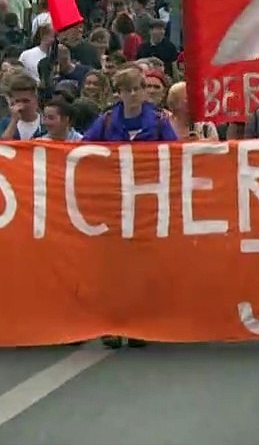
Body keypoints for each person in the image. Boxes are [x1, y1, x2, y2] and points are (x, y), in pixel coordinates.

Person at [83, 66, 177, 350]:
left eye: (138, 88)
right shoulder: (107, 120)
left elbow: (176, 156)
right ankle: (112, 323)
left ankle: (140, 325)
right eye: (128, 90)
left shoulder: (159, 122)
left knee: (142, 266)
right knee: (112, 267)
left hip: (147, 204)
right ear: (119, 93)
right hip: (113, 203)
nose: (134, 94)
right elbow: (84, 152)